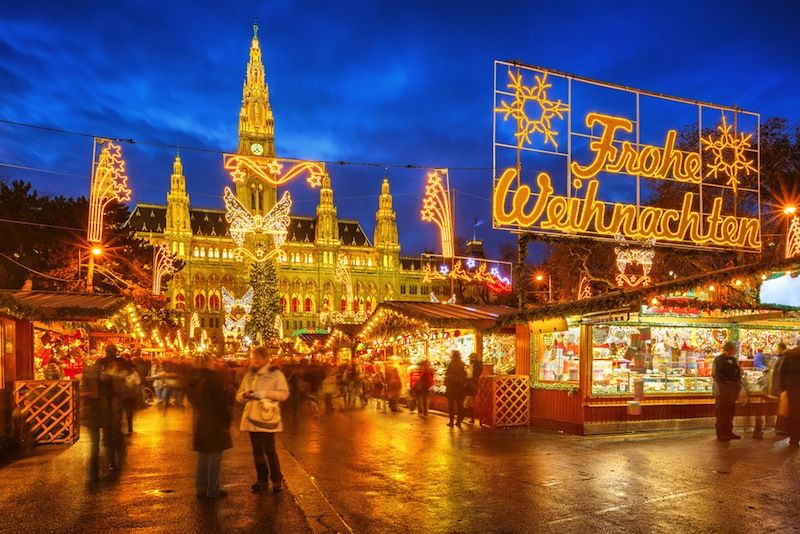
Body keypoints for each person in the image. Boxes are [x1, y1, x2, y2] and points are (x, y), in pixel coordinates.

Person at [236, 346, 289, 494]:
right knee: (257, 451)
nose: (255, 361)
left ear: (266, 359)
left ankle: (277, 479)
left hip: (267, 417)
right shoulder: (249, 375)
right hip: (252, 418)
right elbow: (239, 395)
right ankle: (262, 479)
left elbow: (284, 394)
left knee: (270, 450)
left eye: (258, 358)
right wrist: (244, 395)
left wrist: (264, 394)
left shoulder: (275, 374)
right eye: (253, 358)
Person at [189, 357, 233, 500]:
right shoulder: (212, 379)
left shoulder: (195, 378)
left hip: (201, 420)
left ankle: (201, 488)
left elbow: (192, 398)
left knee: (203, 455)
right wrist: (227, 419)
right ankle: (213, 490)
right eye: (213, 361)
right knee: (214, 456)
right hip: (214, 421)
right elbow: (220, 402)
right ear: (208, 363)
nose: (216, 363)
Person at [712, 341, 743, 441]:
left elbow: (737, 372)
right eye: (734, 349)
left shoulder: (733, 360)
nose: (735, 351)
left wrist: (737, 381)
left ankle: (728, 432)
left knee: (730, 413)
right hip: (722, 391)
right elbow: (716, 374)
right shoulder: (719, 359)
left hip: (732, 391)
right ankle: (721, 434)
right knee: (722, 413)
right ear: (728, 349)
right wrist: (726, 382)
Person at [778, 347, 800, 446]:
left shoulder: (789, 355)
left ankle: (794, 438)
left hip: (791, 388)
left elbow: (782, 372)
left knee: (793, 413)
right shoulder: (790, 355)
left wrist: (783, 388)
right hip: (793, 388)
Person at [445, 350, 467, 427]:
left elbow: (447, 374)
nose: (450, 355)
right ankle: (459, 421)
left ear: (453, 355)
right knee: (460, 405)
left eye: (451, 354)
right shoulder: (463, 364)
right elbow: (466, 375)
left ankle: (451, 421)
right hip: (461, 388)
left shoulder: (451, 364)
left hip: (452, 387)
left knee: (451, 406)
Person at [464, 353, 484, 424]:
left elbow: (472, 374)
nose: (470, 359)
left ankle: (461, 417)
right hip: (471, 385)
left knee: (467, 401)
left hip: (471, 385)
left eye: (471, 357)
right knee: (470, 402)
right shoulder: (473, 364)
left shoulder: (475, 365)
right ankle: (471, 418)